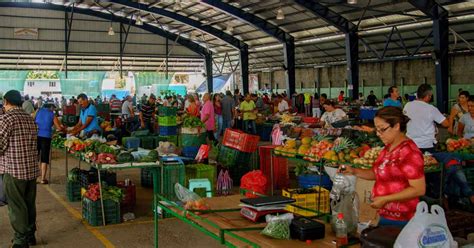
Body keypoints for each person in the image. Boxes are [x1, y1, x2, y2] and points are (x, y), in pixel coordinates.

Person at [340, 107, 425, 227]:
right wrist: (353, 171)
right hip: (385, 215)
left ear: (396, 126)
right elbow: (377, 173)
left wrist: (386, 199)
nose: (379, 134)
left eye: (382, 130)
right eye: (377, 130)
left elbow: (418, 189)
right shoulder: (388, 149)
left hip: (404, 219)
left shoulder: (409, 152)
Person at [0, 90, 39, 247]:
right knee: (29, 203)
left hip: (15, 170)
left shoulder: (7, 118)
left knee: (16, 206)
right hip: (31, 169)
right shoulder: (29, 118)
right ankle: (30, 235)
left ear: (6, 101)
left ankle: (20, 240)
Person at [403, 84, 449, 153]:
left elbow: (403, 120)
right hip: (426, 145)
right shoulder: (431, 108)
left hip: (410, 144)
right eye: (430, 95)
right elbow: (446, 124)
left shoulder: (407, 105)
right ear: (428, 96)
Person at [35, 103, 65, 184]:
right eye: (53, 108)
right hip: (46, 137)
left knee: (35, 157)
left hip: (36, 136)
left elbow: (34, 121)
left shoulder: (38, 111)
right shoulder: (52, 114)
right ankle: (43, 179)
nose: (54, 110)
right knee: (44, 158)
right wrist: (63, 129)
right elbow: (58, 127)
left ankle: (34, 178)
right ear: (51, 107)